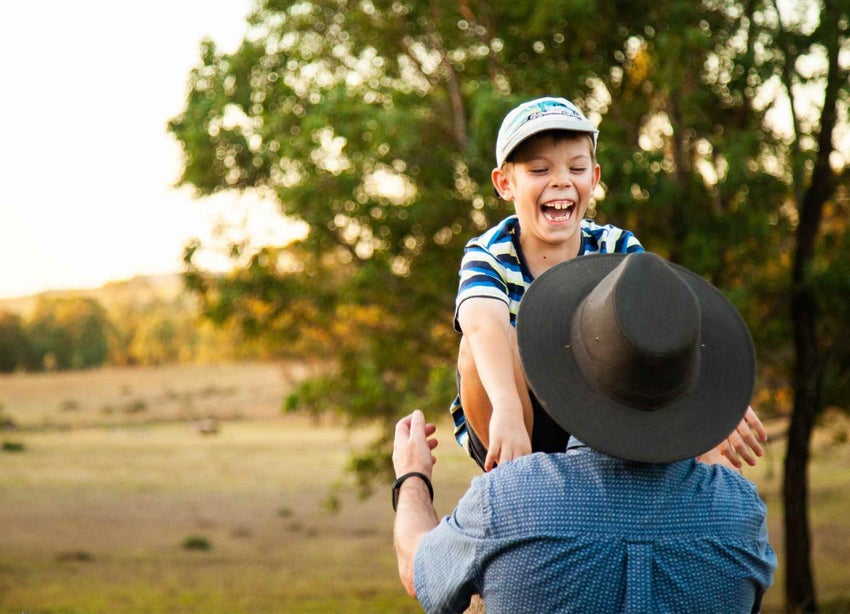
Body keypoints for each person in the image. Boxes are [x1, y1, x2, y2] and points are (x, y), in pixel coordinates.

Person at [394, 251, 777, 613]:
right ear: (689, 388)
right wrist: (711, 423)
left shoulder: (506, 504)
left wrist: (412, 477)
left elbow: (418, 570)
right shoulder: (739, 515)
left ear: (563, 371)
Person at [449, 96, 766, 471]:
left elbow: (662, 324)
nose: (561, 181)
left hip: (602, 409)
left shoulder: (616, 248)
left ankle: (710, 512)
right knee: (477, 348)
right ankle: (520, 480)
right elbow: (482, 321)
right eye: (539, 170)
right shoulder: (490, 252)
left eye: (576, 168)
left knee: (711, 442)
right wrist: (505, 407)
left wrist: (717, 405)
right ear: (505, 184)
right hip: (518, 413)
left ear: (594, 178)